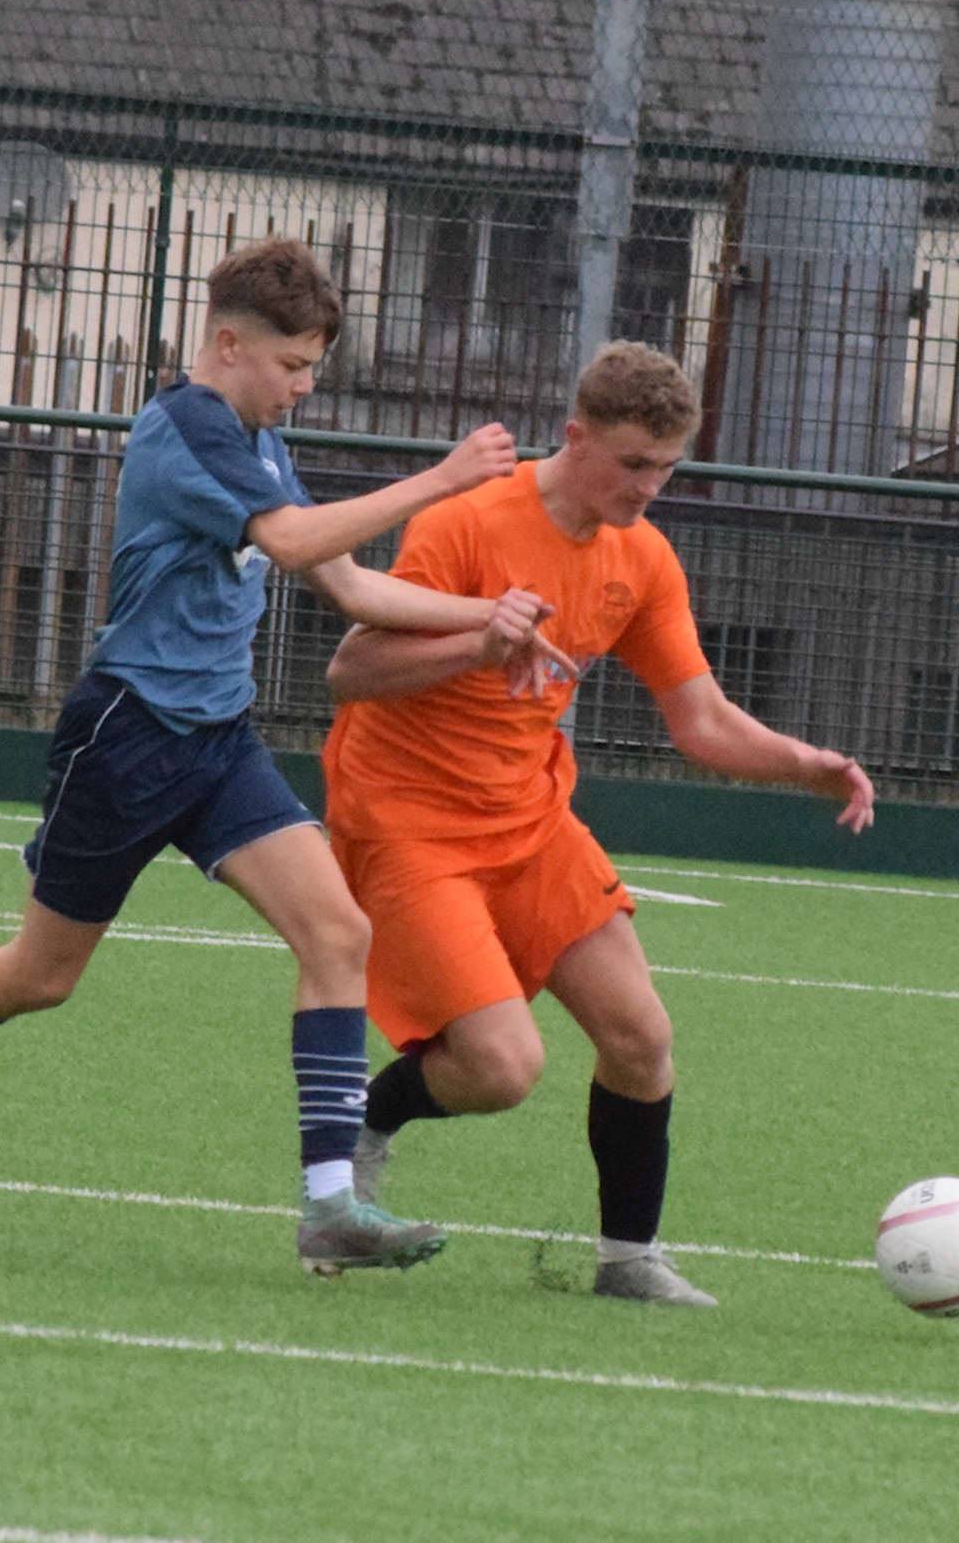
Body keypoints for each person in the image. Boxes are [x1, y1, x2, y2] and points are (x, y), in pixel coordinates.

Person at [0, 238, 568, 1276]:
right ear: (229, 342)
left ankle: (329, 1202)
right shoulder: (186, 426)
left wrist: (490, 617)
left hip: (217, 741)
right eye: (291, 366)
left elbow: (356, 589)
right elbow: (290, 545)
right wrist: (442, 477)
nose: (301, 387)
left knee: (337, 930)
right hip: (128, 736)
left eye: (312, 371)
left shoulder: (257, 442)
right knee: (38, 974)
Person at [319, 340, 875, 1305]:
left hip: (532, 822)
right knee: (500, 1069)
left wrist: (805, 764)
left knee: (640, 1035)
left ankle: (628, 1260)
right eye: (631, 463)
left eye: (666, 467)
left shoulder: (642, 555)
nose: (650, 485)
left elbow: (698, 719)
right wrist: (477, 642)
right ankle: (367, 1125)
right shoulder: (467, 521)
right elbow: (350, 671)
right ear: (575, 436)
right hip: (407, 822)